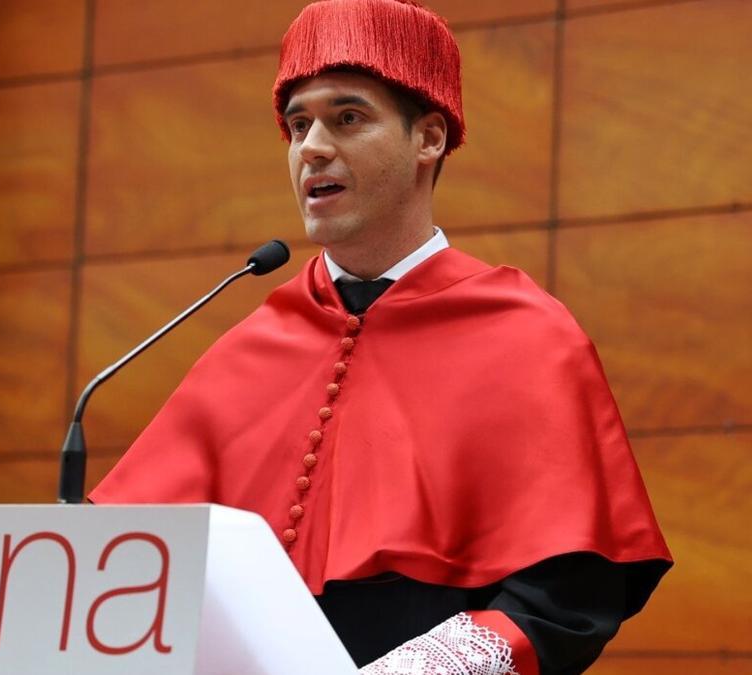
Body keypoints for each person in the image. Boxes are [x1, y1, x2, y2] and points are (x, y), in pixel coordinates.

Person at [88, 1, 672, 673]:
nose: (311, 147)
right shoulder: (247, 348)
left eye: (347, 117)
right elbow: (134, 562)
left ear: (428, 138)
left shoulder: (530, 338)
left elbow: (568, 594)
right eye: (297, 124)